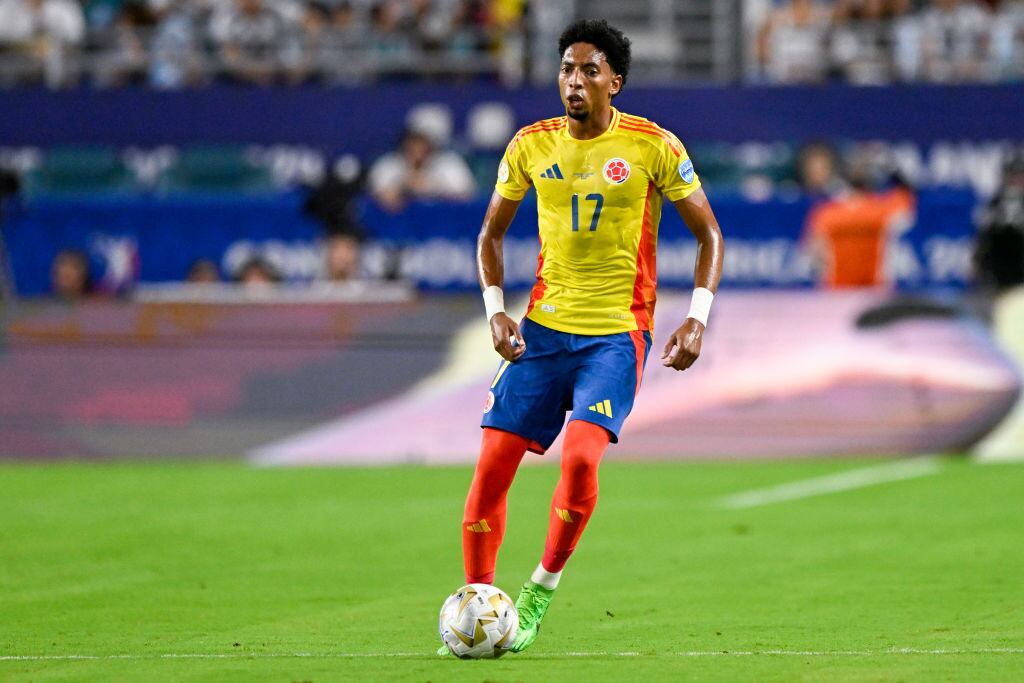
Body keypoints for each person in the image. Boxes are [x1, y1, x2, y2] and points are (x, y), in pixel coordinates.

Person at [439, 19, 724, 655]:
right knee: (489, 471)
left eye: (589, 70)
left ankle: (538, 591)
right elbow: (490, 235)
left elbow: (710, 234)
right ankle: (480, 607)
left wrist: (697, 316)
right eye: (567, 69)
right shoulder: (530, 145)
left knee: (580, 457)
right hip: (541, 333)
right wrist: (495, 310)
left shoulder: (653, 146)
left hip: (615, 338)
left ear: (614, 82)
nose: (574, 80)